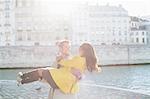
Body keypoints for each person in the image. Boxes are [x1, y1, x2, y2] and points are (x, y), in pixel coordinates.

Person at [17, 43, 101, 95]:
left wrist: (60, 60)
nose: (78, 51)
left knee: (41, 72)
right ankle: (22, 80)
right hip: (65, 82)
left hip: (62, 81)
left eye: (80, 49)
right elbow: (73, 69)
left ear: (83, 50)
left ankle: (22, 77)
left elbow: (66, 63)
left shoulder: (79, 59)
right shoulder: (85, 61)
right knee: (41, 72)